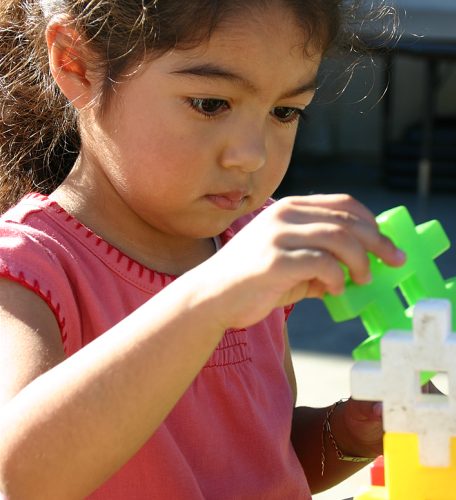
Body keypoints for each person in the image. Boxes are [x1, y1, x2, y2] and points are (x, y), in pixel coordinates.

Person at [0, 0, 404, 498]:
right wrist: (211, 295)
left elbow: (255, 458)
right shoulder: (29, 266)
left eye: (285, 112)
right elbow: (19, 477)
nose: (251, 155)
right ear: (76, 64)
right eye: (211, 104)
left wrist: (349, 432)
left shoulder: (242, 246)